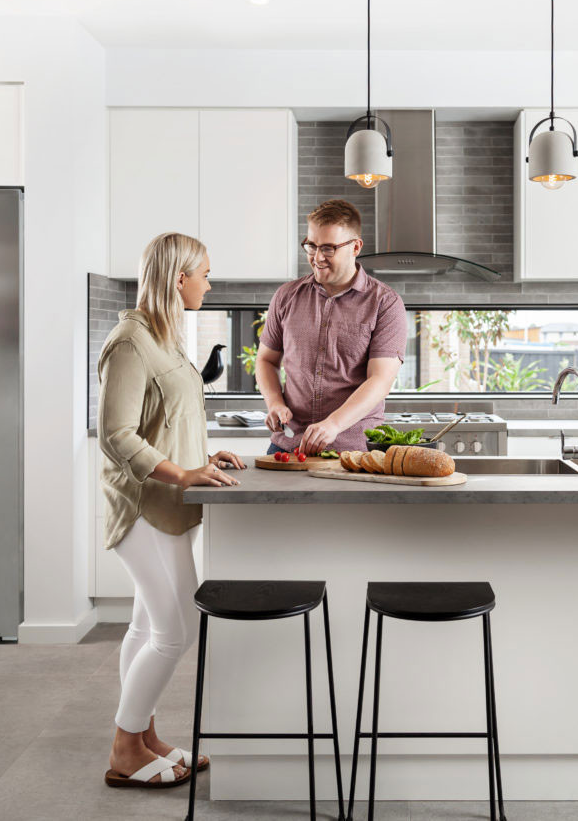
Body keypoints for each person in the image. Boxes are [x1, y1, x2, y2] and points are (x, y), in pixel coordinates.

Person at [98, 232, 243, 790]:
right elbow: (117, 435)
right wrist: (181, 472)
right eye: (204, 273)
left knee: (146, 624)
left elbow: (166, 419)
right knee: (178, 629)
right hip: (143, 508)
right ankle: (124, 747)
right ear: (178, 277)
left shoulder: (164, 336)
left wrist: (199, 456)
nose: (209, 283)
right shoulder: (130, 341)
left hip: (168, 503)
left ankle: (143, 736)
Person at [256, 198, 407, 456]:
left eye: (328, 249)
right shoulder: (286, 296)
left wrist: (333, 424)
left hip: (353, 450)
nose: (317, 258)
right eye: (311, 246)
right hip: (288, 445)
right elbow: (266, 361)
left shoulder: (385, 303)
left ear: (356, 247)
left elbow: (380, 380)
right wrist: (274, 403)